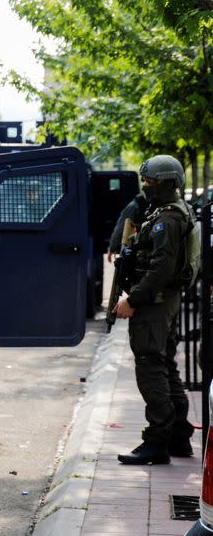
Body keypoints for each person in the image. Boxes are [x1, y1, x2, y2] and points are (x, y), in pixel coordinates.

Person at [113, 155, 197, 465]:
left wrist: (132, 300)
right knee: (166, 366)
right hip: (163, 302)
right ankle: (178, 436)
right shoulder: (168, 213)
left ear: (166, 184)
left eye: (150, 182)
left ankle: (157, 441)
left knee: (151, 367)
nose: (146, 186)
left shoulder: (168, 220)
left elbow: (161, 268)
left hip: (155, 304)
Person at [106, 191, 148, 262]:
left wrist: (112, 248)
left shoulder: (134, 205)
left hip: (136, 252)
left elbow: (121, 228)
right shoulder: (155, 205)